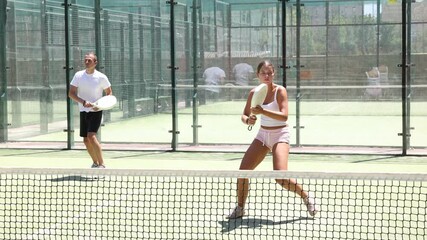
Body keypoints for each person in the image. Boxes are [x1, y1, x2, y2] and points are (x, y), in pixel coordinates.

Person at [227, 60, 317, 219]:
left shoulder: (280, 91)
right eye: (263, 73)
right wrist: (248, 120)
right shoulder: (253, 92)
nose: (266, 75)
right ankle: (240, 207)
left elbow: (284, 116)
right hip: (262, 135)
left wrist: (263, 112)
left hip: (280, 135)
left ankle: (306, 197)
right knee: (242, 172)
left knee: (280, 177)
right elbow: (244, 114)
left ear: (273, 74)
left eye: (269, 73)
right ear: (258, 75)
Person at [68, 52, 112, 168]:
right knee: (86, 140)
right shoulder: (78, 75)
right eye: (86, 60)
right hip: (83, 111)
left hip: (96, 111)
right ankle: (95, 163)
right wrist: (83, 102)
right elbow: (71, 94)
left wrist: (101, 105)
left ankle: (102, 164)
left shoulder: (101, 77)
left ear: (95, 63)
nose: (87, 62)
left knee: (91, 136)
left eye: (89, 60)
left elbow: (109, 94)